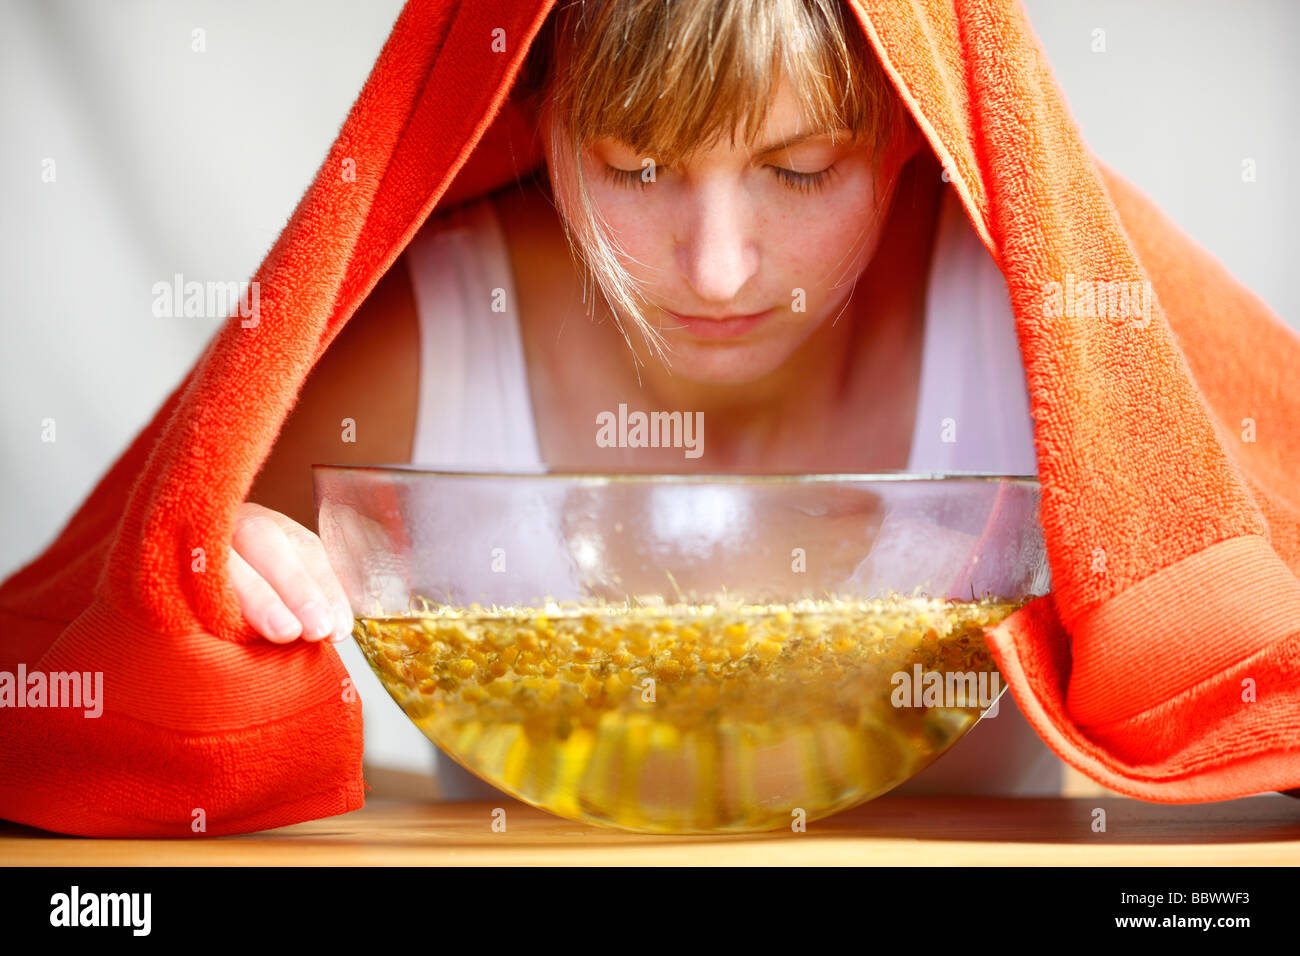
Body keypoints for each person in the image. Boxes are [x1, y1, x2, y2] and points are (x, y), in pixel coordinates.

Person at [234, 0, 1061, 797]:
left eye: (799, 170)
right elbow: (152, 669)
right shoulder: (421, 342)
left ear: (910, 123)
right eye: (638, 166)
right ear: (531, 110)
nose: (717, 272)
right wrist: (218, 586)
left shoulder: (1045, 326)